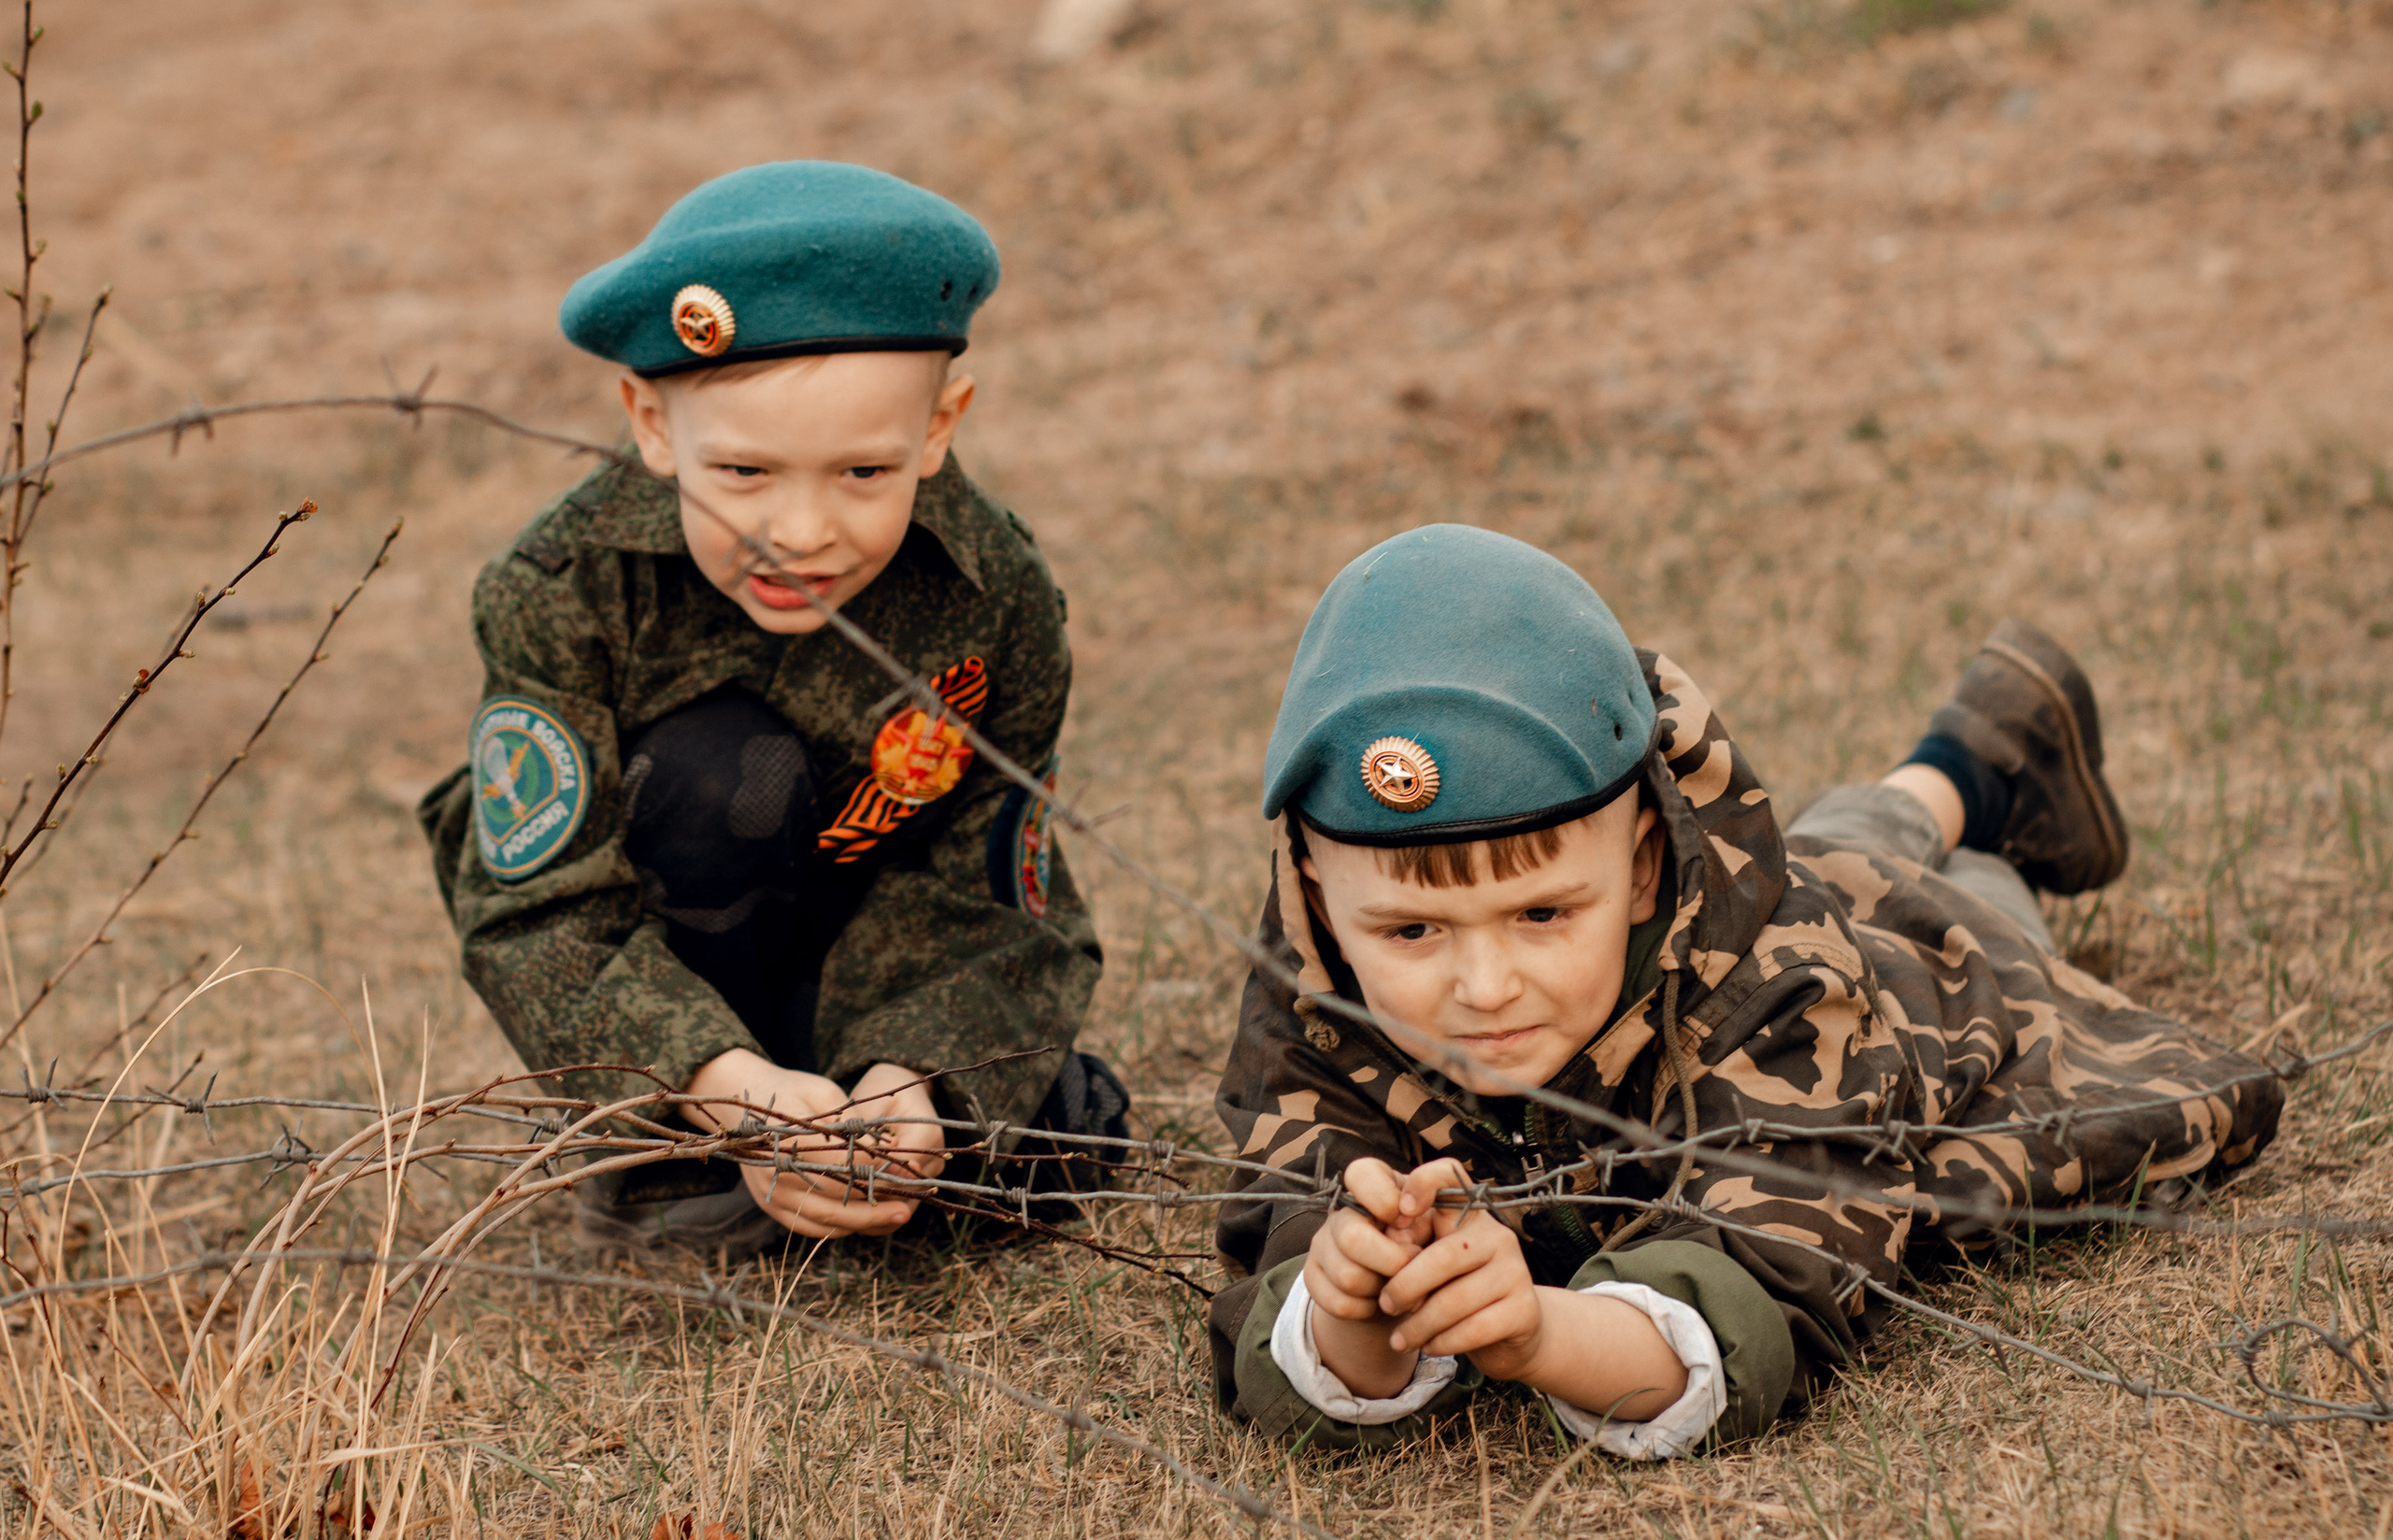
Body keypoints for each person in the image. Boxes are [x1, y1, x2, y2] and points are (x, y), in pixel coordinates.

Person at [1209, 524, 2282, 1456]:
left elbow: (1775, 1287)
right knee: (1832, 848)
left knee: (1955, 908)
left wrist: (1539, 1333)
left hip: (1930, 998)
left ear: (1642, 866)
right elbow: (1280, 1247)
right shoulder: (1316, 986)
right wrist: (1350, 1307)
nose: (1483, 988)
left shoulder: (1787, 985)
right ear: (1318, 894)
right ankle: (1963, 758)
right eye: (1410, 930)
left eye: (1541, 914)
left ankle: (1982, 764)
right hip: (1795, 881)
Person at [419, 162, 1123, 1258]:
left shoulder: (996, 594)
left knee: (1068, 1132)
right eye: (744, 472)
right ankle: (674, 1162)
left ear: (940, 427)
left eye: (863, 472)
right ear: (651, 425)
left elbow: (994, 883)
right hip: (683, 983)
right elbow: (538, 912)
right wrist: (729, 1092)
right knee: (718, 769)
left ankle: (852, 1138)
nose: (800, 532)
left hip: (872, 963)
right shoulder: (564, 588)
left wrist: (912, 1078)